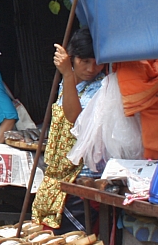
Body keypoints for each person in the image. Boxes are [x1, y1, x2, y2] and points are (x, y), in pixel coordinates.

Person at [31, 28, 107, 228]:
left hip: (81, 176)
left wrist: (66, 73)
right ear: (72, 58)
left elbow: (75, 118)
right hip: (57, 175)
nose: (91, 68)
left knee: (71, 238)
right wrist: (67, 76)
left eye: (97, 62)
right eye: (85, 61)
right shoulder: (66, 83)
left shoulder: (101, 87)